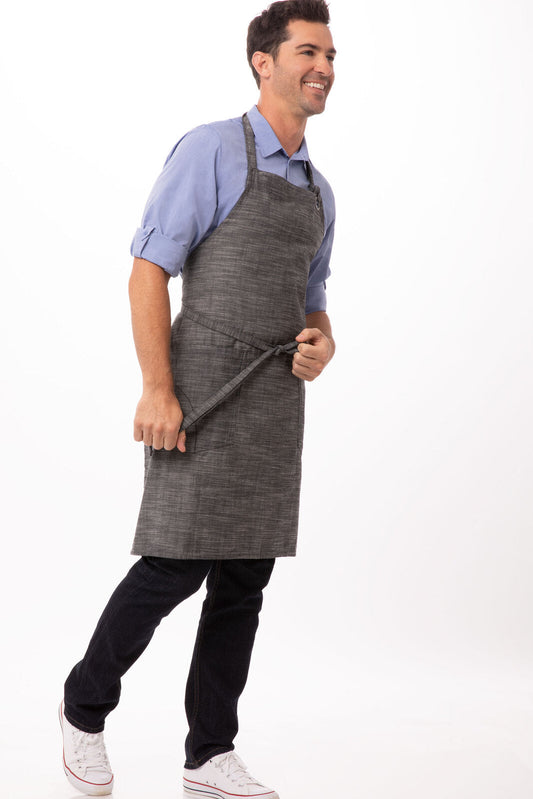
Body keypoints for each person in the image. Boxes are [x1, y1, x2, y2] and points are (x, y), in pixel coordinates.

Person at [59, 1, 337, 796]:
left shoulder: (319, 190)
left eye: (330, 56)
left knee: (244, 581)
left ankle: (209, 751)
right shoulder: (210, 149)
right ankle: (82, 708)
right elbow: (148, 269)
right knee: (172, 562)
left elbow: (313, 302)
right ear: (263, 62)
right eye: (307, 52)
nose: (323, 69)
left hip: (273, 401)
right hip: (202, 390)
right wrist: (157, 388)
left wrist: (322, 343)